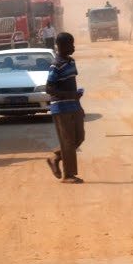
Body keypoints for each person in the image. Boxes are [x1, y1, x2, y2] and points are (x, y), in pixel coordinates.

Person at [46, 32, 85, 185]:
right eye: (71, 44)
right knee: (68, 141)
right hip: (61, 108)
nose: (73, 47)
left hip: (73, 105)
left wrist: (78, 104)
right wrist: (68, 94)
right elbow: (49, 88)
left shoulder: (71, 62)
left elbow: (73, 85)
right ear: (61, 46)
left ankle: (55, 157)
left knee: (79, 137)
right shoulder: (56, 65)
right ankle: (68, 175)